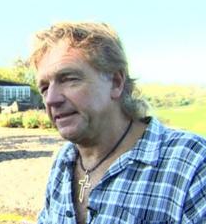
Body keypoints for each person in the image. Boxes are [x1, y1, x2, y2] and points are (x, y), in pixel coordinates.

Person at [29, 22, 206, 224]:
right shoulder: (64, 161)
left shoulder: (191, 163)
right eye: (44, 88)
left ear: (116, 82)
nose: (51, 99)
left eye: (69, 78)